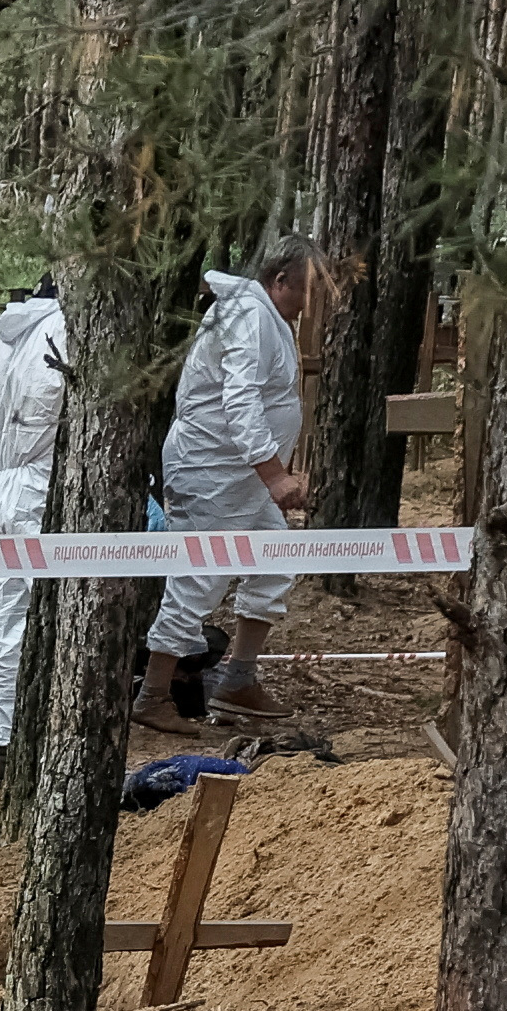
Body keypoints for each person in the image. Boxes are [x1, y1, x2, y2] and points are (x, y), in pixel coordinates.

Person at [146, 244, 318, 725]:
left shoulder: (265, 317)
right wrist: (275, 476)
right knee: (200, 575)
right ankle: (153, 694)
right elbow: (240, 401)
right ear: (280, 280)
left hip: (241, 475)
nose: (308, 303)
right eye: (305, 290)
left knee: (274, 558)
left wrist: (269, 475)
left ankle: (239, 679)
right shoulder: (248, 315)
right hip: (212, 470)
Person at [0, 280, 69, 744]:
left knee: (3, 624)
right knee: (53, 618)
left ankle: (8, 738)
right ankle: (45, 737)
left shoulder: (3, 341)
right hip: (35, 493)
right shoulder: (67, 333)